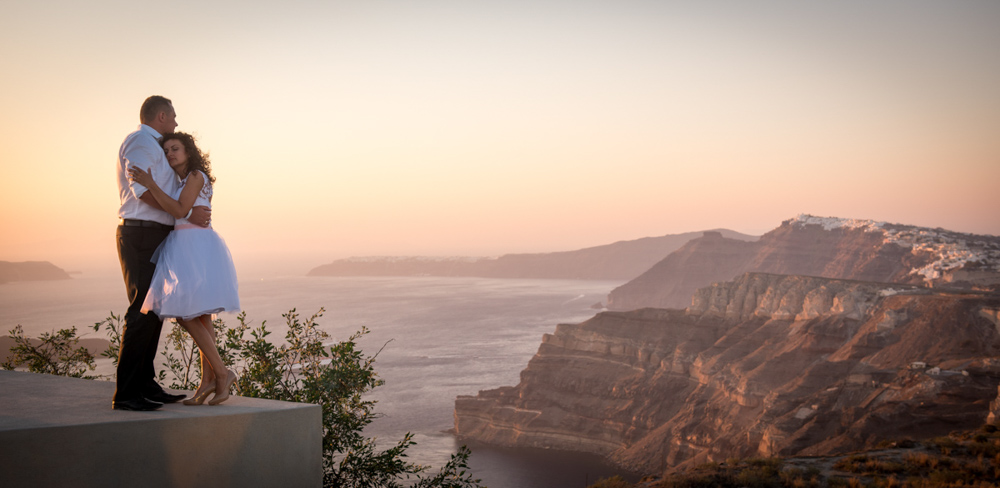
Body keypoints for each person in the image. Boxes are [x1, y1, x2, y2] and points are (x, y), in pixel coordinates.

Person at [114, 96, 210, 411]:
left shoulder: (156, 146)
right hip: (141, 233)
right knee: (142, 311)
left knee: (154, 312)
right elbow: (142, 191)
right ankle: (126, 394)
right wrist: (185, 214)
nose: (176, 122)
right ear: (162, 116)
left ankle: (146, 384)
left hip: (156, 234)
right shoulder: (141, 141)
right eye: (174, 116)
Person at [129, 132, 240, 405]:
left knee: (184, 315)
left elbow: (178, 210)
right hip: (187, 245)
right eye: (167, 150)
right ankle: (208, 381)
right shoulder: (182, 181)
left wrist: (150, 183)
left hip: (194, 247)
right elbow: (180, 210)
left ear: (188, 151)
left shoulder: (195, 176)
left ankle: (222, 373)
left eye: (175, 148)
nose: (170, 154)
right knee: (200, 316)